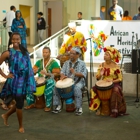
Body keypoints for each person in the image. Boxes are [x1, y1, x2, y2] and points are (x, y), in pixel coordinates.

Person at [0, 32, 36, 133]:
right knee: (20, 103)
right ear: (11, 40)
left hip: (24, 80)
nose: (15, 41)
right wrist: (5, 76)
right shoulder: (8, 53)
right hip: (15, 81)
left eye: (17, 39)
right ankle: (21, 126)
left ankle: (6, 115)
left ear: (20, 40)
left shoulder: (24, 51)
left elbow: (27, 66)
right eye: (13, 39)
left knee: (20, 102)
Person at [90, 46, 126, 118]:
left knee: (115, 90)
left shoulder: (116, 66)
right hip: (104, 82)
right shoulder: (102, 65)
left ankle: (114, 110)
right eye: (104, 54)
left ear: (111, 56)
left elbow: (120, 78)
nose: (104, 56)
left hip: (114, 83)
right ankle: (98, 108)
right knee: (93, 89)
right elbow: (97, 78)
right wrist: (101, 74)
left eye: (107, 55)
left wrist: (112, 80)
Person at [52, 47, 87, 116]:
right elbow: (62, 72)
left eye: (73, 54)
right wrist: (62, 76)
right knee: (56, 87)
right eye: (70, 53)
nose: (71, 55)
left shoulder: (82, 63)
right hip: (67, 81)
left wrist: (75, 73)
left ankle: (79, 108)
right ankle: (57, 106)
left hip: (78, 81)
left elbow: (83, 75)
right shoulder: (66, 63)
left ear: (78, 55)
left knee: (76, 88)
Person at [24, 47, 60, 111]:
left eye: (46, 52)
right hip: (41, 79)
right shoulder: (39, 62)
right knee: (29, 82)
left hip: (50, 79)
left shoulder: (53, 63)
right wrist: (34, 72)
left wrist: (48, 74)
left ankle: (48, 105)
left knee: (50, 82)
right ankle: (31, 103)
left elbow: (58, 74)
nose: (44, 54)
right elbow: (33, 71)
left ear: (50, 53)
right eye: (43, 52)